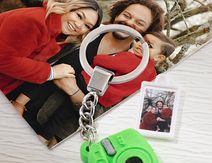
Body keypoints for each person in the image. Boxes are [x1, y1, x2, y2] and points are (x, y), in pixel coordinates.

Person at [11, 0, 166, 145]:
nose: (129, 23)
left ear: (146, 32)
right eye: (127, 15)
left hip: (49, 131)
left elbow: (101, 114)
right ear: (118, 13)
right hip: (21, 105)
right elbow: (44, 64)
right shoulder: (84, 31)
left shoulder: (137, 71)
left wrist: (73, 91)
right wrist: (18, 103)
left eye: (140, 23)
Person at [0, 0, 103, 98]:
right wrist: (51, 72)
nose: (79, 25)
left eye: (87, 26)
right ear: (68, 7)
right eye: (79, 16)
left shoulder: (57, 34)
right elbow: (4, 59)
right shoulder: (35, 21)